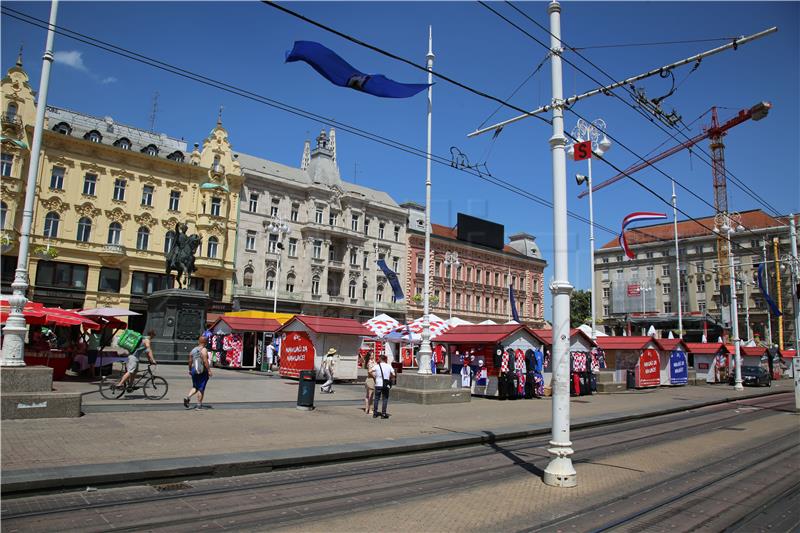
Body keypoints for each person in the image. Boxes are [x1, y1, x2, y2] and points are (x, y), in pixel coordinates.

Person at [184, 335, 212, 409]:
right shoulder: (204, 350)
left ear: (198, 341)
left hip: (194, 370)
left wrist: (190, 370)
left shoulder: (193, 350)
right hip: (202, 371)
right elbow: (205, 361)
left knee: (195, 386)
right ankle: (199, 405)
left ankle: (188, 397)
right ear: (205, 342)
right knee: (201, 388)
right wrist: (209, 370)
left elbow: (190, 361)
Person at [371, 353, 395, 419]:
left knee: (376, 399)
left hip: (378, 384)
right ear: (385, 359)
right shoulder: (389, 366)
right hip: (385, 385)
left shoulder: (377, 366)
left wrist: (374, 376)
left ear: (380, 359)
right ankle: (383, 414)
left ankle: (375, 413)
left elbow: (370, 371)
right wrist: (389, 377)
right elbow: (393, 374)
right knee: (385, 399)